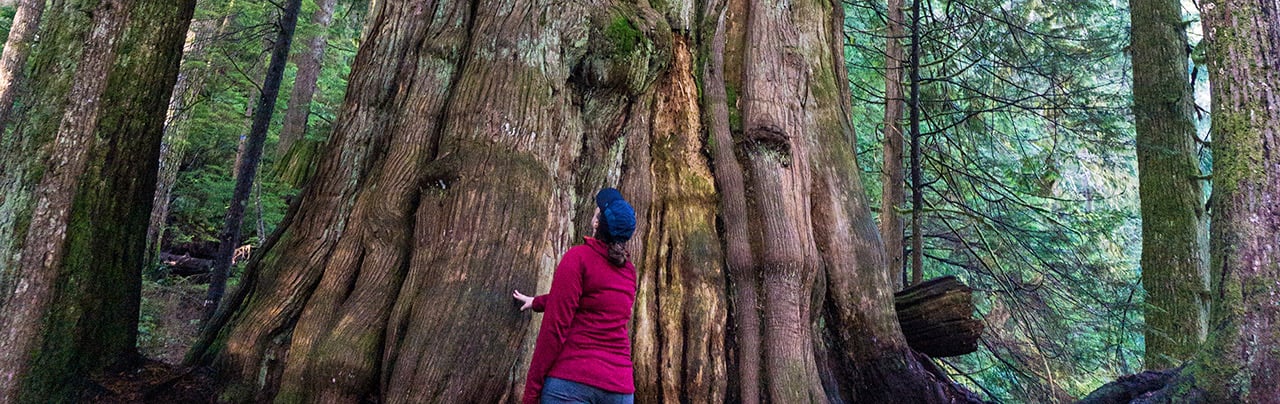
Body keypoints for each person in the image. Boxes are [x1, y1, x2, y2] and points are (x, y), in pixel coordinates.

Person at [513, 188, 637, 404]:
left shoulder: (578, 258)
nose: (595, 210)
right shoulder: (628, 272)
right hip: (620, 390)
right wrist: (537, 302)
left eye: (598, 210)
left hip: (572, 384)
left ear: (597, 223)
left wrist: (531, 392)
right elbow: (593, 303)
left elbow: (554, 328)